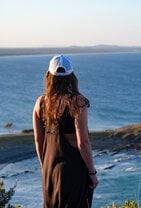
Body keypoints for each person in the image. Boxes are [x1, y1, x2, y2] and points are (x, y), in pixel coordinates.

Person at [33, 55, 98, 208]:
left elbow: (38, 140)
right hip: (73, 170)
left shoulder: (40, 103)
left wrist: (45, 167)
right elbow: (83, 142)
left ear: (49, 76)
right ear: (71, 76)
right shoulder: (77, 102)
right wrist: (92, 173)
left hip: (49, 169)